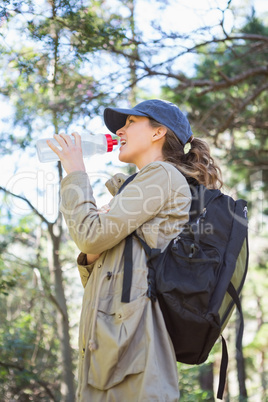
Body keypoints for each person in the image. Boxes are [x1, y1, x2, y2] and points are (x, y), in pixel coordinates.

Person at [48, 99, 222, 401]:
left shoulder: (162, 175)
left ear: (158, 132)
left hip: (133, 360)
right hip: (110, 358)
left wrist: (75, 171)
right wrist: (95, 248)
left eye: (130, 122)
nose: (119, 129)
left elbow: (90, 236)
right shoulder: (135, 189)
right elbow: (97, 278)